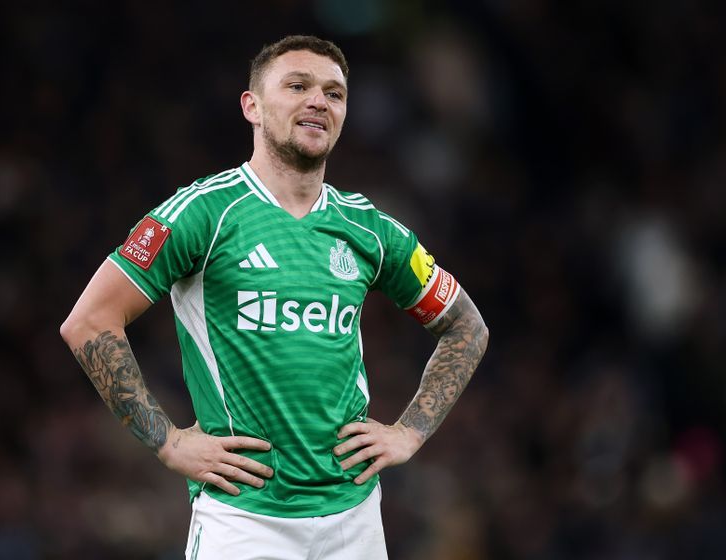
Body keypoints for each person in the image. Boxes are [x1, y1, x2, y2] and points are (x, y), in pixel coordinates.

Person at [60, 35, 488, 560]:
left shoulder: (369, 227)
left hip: (355, 518)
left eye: (334, 93)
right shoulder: (203, 212)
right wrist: (168, 442)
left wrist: (411, 432)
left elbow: (466, 326)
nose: (318, 101)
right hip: (244, 519)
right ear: (252, 106)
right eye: (298, 86)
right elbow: (89, 321)